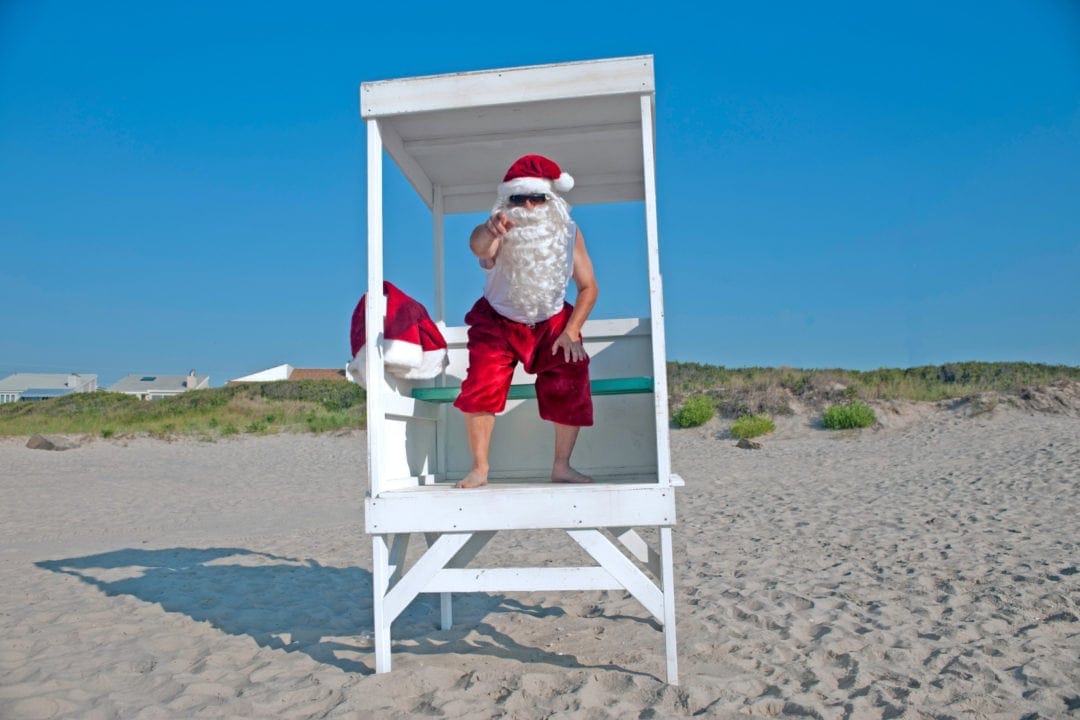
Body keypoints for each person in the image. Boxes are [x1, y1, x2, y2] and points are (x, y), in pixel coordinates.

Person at [452, 154, 598, 489]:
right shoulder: (498, 228)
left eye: (538, 198)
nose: (529, 206)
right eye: (520, 198)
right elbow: (478, 247)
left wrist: (571, 329)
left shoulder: (569, 233)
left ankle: (562, 466)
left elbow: (589, 287)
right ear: (508, 201)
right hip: (498, 321)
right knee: (481, 383)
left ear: (551, 200)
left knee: (571, 373)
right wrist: (490, 229)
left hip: (552, 322)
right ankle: (480, 468)